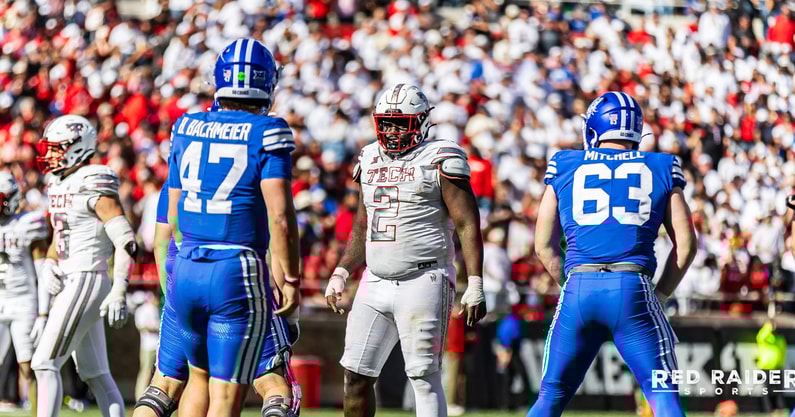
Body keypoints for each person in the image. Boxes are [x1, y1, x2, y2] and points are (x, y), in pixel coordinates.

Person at [527, 91, 697, 417]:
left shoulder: (565, 163)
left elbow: (543, 245)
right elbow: (686, 245)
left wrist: (572, 283)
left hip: (579, 286)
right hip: (632, 287)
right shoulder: (661, 165)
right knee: (663, 396)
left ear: (593, 130)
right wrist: (660, 295)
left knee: (549, 398)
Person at [324, 83, 487, 417]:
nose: (392, 130)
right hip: (374, 280)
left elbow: (469, 223)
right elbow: (362, 225)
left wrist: (476, 282)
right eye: (386, 122)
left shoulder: (441, 156)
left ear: (423, 122)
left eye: (401, 123)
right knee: (355, 375)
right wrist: (342, 271)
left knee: (423, 377)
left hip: (424, 277)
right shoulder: (369, 156)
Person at [166, 38, 301, 417]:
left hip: (187, 264)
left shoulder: (187, 125)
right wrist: (290, 277)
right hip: (235, 269)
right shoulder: (268, 130)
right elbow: (280, 217)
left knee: (197, 379)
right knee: (225, 397)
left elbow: (172, 215)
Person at [32, 114, 133, 417]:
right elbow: (59, 237)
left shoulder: (93, 180)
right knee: (95, 373)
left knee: (43, 362)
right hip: (71, 278)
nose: (48, 154)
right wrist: (50, 263)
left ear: (76, 146)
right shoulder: (59, 183)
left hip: (87, 277)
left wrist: (120, 289)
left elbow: (126, 239)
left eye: (55, 148)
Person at [0, 172, 48, 416]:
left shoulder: (28, 222)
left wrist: (43, 310)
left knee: (29, 367)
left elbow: (42, 270)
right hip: (1, 298)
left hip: (23, 301)